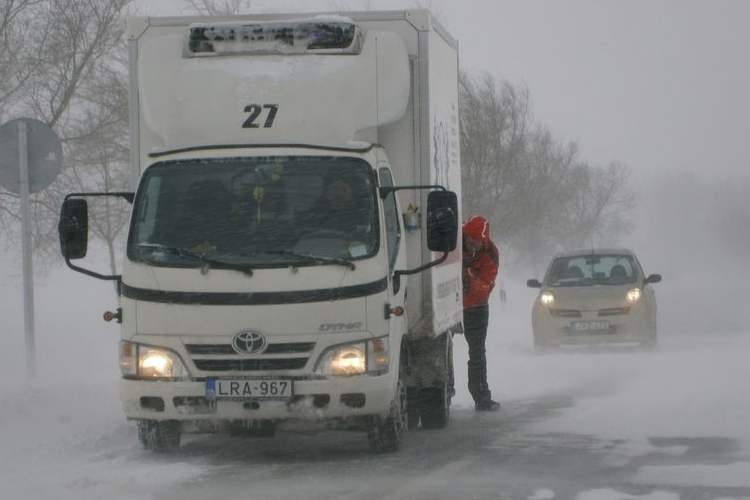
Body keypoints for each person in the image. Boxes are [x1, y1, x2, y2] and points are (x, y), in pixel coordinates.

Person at [461, 215, 501, 412]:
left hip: (476, 307)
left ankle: (481, 396)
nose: (474, 247)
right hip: (449, 304)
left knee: (477, 351)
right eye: (470, 242)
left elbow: (486, 286)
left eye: (478, 243)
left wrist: (467, 280)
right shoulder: (451, 244)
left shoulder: (491, 253)